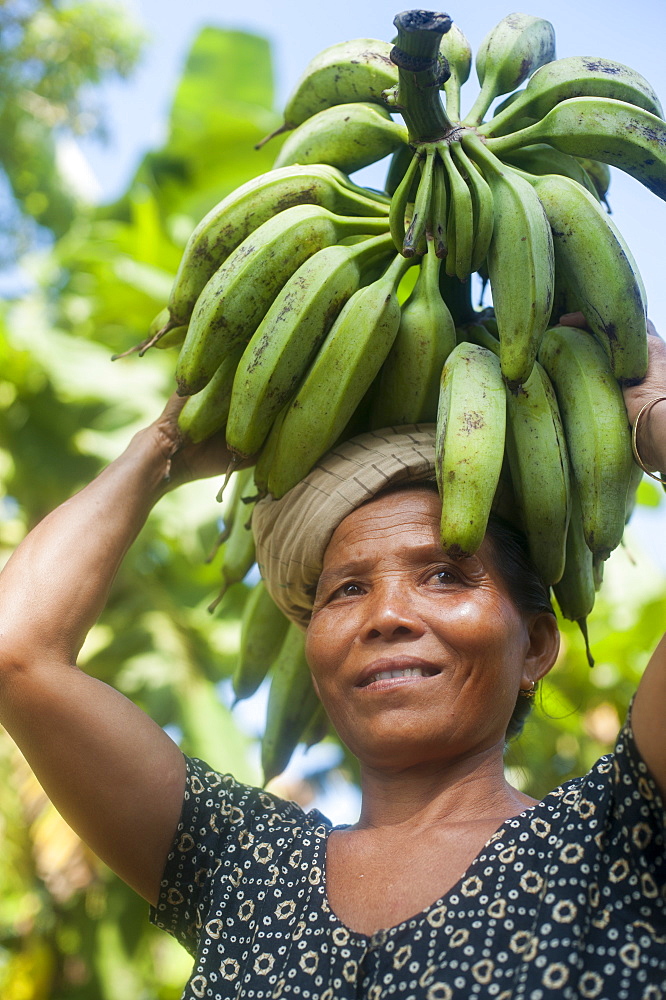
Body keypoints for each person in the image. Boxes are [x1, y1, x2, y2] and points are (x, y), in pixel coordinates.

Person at [0, 313, 665, 999]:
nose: (386, 617)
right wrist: (162, 449)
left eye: (443, 574)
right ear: (316, 654)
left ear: (536, 645)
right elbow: (16, 650)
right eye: (347, 590)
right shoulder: (244, 867)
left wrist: (653, 413)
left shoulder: (621, 833)